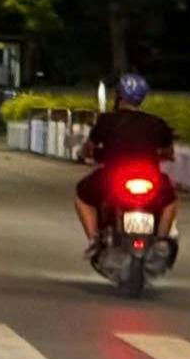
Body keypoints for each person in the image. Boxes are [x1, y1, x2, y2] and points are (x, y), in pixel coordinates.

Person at [76, 73, 179, 247]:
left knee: (81, 196)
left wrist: (86, 153)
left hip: (113, 177)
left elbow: (89, 148)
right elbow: (169, 152)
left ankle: (94, 242)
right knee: (170, 201)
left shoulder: (106, 120)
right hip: (151, 178)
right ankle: (161, 241)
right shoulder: (157, 122)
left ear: (119, 96)